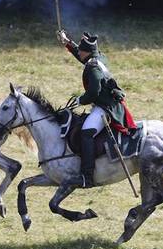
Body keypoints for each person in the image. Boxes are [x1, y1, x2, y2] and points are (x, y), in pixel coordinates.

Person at [57, 30, 136, 187]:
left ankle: (87, 176)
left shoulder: (93, 67)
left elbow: (94, 92)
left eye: (80, 49)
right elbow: (83, 57)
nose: (79, 51)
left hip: (105, 107)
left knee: (86, 133)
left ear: (87, 52)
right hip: (106, 103)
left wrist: (80, 100)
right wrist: (67, 42)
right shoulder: (98, 58)